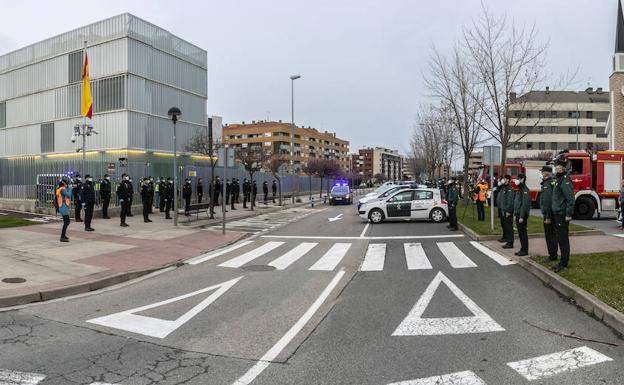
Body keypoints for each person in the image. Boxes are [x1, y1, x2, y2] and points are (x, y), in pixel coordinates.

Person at [552, 159, 575, 273]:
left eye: (558, 168)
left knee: (563, 239)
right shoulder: (559, 179)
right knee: (560, 239)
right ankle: (562, 261)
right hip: (558, 213)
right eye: (556, 168)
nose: (556, 169)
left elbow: (570, 198)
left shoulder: (565, 180)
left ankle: (564, 263)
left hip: (562, 214)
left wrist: (568, 214)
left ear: (563, 169)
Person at [540, 165, 558, 261]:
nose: (541, 173)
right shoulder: (551, 182)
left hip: (549, 215)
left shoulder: (547, 184)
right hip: (551, 214)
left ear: (547, 173)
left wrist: (547, 216)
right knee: (552, 235)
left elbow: (547, 201)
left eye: (542, 172)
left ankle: (552, 256)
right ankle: (553, 254)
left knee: (550, 236)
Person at [513, 173, 530, 256]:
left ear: (522, 179)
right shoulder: (520, 189)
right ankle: (522, 249)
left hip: (522, 215)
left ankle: (525, 250)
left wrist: (521, 216)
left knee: (523, 233)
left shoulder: (525, 190)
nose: (516, 180)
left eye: (518, 179)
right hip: (518, 214)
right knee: (520, 233)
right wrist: (515, 214)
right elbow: (517, 203)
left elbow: (524, 204)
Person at [56, 177, 73, 242]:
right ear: (64, 184)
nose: (67, 185)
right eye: (67, 184)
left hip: (63, 207)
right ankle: (62, 237)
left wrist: (69, 188)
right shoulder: (62, 189)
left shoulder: (61, 189)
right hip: (63, 207)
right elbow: (68, 195)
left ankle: (63, 236)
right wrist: (71, 188)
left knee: (67, 222)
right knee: (66, 222)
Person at [502, 175, 515, 249]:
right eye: (504, 179)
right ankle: (508, 241)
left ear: (508, 180)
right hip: (505, 210)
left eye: (505, 179)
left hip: (508, 211)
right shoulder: (505, 188)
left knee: (509, 227)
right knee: (507, 226)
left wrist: (508, 211)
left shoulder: (509, 189)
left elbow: (510, 201)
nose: (504, 180)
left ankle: (510, 243)